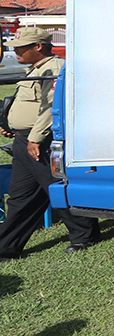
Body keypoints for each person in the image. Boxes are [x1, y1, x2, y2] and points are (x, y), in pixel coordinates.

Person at [0, 27, 99, 260]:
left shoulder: (53, 68)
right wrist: (12, 125)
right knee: (21, 197)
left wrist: (35, 137)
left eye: (22, 47)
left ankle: (85, 235)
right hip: (26, 141)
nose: (16, 52)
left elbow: (50, 108)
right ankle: (6, 246)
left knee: (56, 189)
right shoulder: (34, 69)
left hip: (43, 141)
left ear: (39, 46)